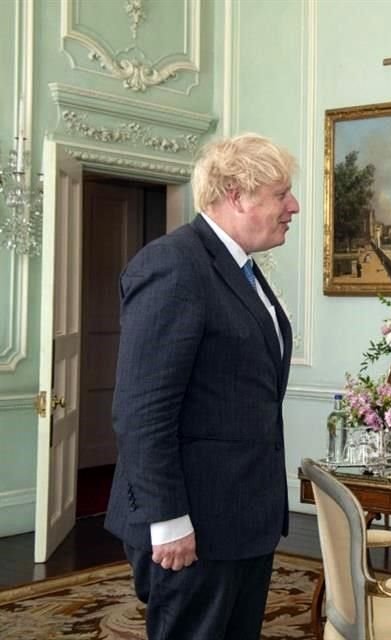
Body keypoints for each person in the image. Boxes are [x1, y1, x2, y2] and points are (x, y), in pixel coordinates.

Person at [105, 133, 299, 640]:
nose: (293, 207)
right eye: (281, 194)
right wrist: (168, 519)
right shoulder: (173, 265)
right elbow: (142, 410)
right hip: (191, 522)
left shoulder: (241, 269)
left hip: (239, 518)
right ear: (237, 195)